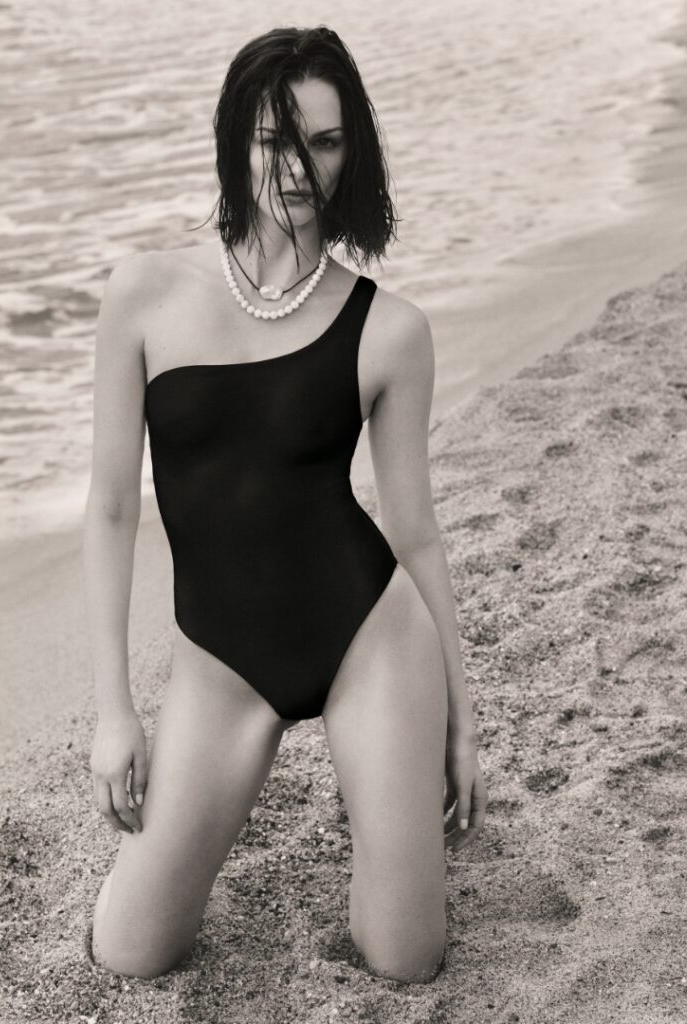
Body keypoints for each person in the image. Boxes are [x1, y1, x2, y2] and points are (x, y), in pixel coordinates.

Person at [81, 25, 487, 985]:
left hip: (368, 637)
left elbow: (414, 529)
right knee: (130, 952)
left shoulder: (391, 331)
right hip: (222, 659)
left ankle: (387, 846)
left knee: (407, 958)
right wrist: (113, 710)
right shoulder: (142, 293)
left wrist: (463, 720)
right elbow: (108, 509)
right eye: (275, 140)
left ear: (354, 155)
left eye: (326, 143)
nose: (298, 168)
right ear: (236, 140)